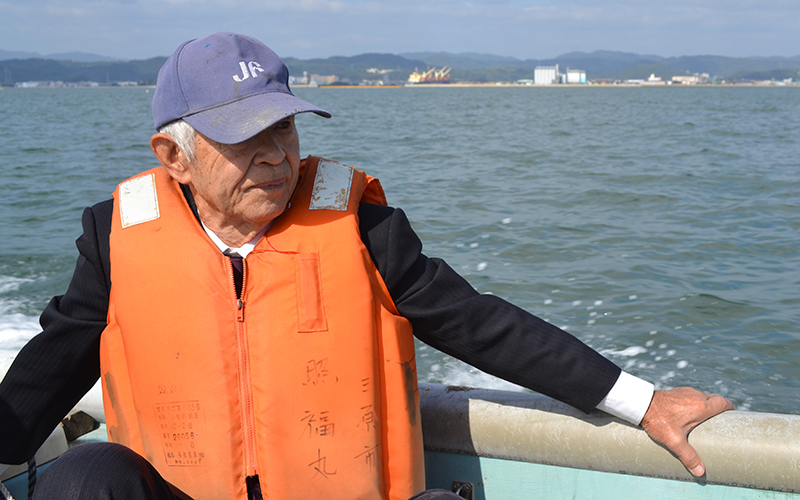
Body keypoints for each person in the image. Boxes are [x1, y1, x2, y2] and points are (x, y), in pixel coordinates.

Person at [0, 32, 732, 500]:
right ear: (173, 158)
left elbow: (476, 323)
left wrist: (640, 400)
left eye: (284, 126)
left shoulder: (362, 226)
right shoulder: (116, 237)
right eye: (245, 137)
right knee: (83, 478)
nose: (280, 156)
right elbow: (56, 362)